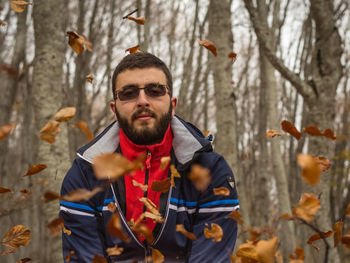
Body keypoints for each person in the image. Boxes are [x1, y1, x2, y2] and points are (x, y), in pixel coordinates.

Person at [60, 52, 239, 263]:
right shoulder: (84, 176)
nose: (142, 101)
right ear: (114, 110)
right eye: (128, 93)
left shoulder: (212, 173)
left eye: (155, 91)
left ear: (173, 105)